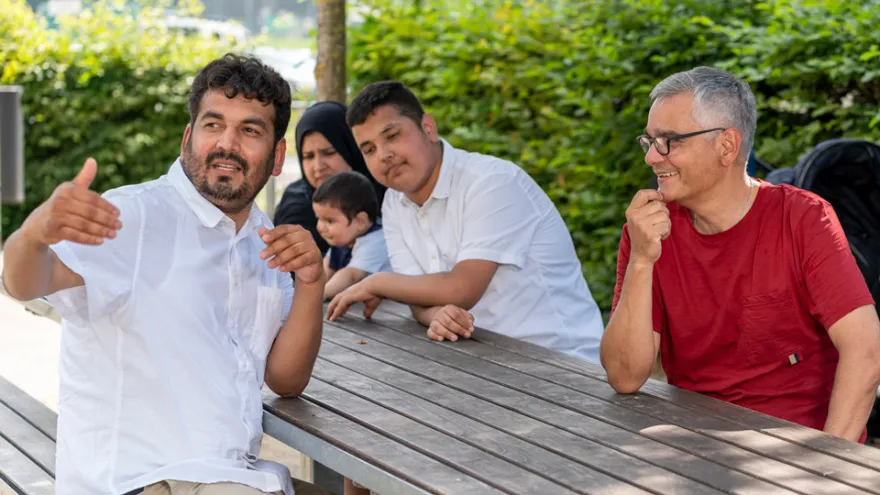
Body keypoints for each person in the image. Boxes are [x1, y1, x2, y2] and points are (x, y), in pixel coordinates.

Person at [1, 54, 330, 495]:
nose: (227, 144)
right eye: (213, 125)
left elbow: (285, 379)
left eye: (250, 130)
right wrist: (32, 235)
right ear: (187, 138)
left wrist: (311, 281)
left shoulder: (264, 237)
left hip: (232, 477)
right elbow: (23, 283)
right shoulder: (134, 216)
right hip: (139, 483)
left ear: (276, 156)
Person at [601, 66, 880, 443]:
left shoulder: (802, 218)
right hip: (691, 448)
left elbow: (866, 349)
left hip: (798, 452)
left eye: (670, 141)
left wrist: (827, 467)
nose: (653, 158)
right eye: (649, 141)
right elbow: (624, 376)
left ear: (727, 146)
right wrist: (641, 260)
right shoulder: (648, 229)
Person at [325, 81, 605, 363]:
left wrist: (378, 282)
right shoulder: (394, 203)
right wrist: (438, 316)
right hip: (480, 361)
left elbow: (461, 289)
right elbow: (418, 300)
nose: (384, 154)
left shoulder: (492, 182)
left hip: (564, 362)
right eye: (369, 149)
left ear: (428, 128)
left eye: (393, 135)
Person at [274, 100, 386, 257]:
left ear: (351, 149)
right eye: (308, 156)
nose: (318, 166)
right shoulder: (296, 206)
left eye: (329, 153)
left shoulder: (388, 195)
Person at [312, 171, 391, 299]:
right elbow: (326, 270)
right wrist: (312, 289)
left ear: (360, 221)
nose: (320, 227)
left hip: (395, 306)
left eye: (329, 221)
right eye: (318, 218)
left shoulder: (377, 240)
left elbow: (351, 275)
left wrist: (319, 295)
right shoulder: (345, 237)